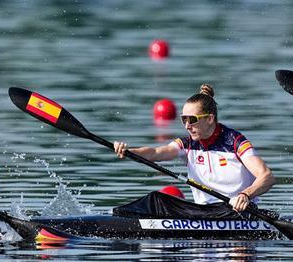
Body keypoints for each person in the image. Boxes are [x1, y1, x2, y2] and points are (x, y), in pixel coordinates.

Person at [113, 84, 275, 212]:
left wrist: (245, 195)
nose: (187, 126)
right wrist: (129, 151)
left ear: (210, 118)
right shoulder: (187, 144)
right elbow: (156, 153)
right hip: (204, 212)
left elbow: (267, 177)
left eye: (192, 119)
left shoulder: (235, 142)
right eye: (184, 120)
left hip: (237, 211)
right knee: (157, 199)